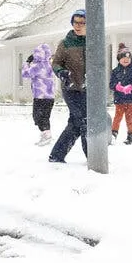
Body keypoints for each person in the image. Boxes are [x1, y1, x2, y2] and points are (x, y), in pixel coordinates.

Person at [49, 9, 88, 163]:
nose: (78, 26)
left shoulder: (93, 41)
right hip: (71, 88)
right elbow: (56, 63)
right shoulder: (65, 43)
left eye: (82, 23)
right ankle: (93, 157)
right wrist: (62, 72)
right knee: (85, 121)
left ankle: (56, 155)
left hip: (87, 89)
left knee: (76, 123)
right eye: (75, 22)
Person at [109, 43, 132, 145]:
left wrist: (131, 86)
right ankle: (113, 135)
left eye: (128, 58)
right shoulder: (115, 71)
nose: (126, 60)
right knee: (117, 117)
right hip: (119, 99)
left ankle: (130, 136)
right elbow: (111, 84)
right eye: (123, 58)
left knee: (130, 118)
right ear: (119, 59)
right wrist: (117, 87)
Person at [21, 43, 55, 145]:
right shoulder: (49, 65)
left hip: (40, 96)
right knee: (44, 116)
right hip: (49, 97)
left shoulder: (38, 66)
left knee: (38, 117)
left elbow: (25, 74)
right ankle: (45, 134)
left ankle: (46, 136)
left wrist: (27, 63)